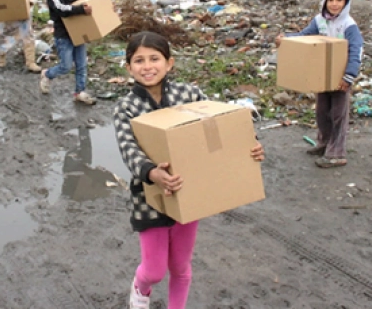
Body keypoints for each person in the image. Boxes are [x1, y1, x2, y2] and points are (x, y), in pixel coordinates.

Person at [113, 31, 265, 309]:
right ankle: (140, 288)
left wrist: (250, 145)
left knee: (181, 266)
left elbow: (216, 126)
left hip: (189, 191)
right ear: (128, 67)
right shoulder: (126, 107)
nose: (147, 66)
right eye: (139, 60)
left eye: (154, 59)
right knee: (155, 270)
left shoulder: (189, 94)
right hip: (150, 199)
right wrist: (151, 172)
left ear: (169, 63)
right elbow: (128, 149)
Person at [275, 0, 363, 168]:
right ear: (324, 1)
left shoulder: (349, 25)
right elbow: (304, 36)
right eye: (331, 0)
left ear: (346, 2)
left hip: (340, 77)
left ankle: (337, 153)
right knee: (322, 112)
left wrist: (349, 76)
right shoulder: (319, 21)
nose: (334, 4)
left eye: (339, 0)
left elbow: (356, 51)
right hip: (323, 75)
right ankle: (324, 143)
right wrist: (286, 39)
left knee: (339, 114)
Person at [39, 0, 95, 105]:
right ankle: (48, 74)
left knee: (82, 64)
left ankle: (79, 92)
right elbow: (61, 9)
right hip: (63, 34)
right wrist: (80, 9)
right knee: (66, 66)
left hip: (78, 31)